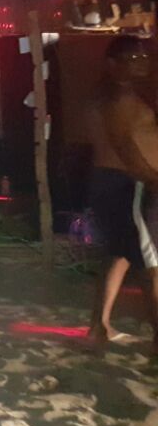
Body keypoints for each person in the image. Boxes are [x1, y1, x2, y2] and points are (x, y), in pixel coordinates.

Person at [87, 36, 158, 346]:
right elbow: (124, 144)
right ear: (113, 64)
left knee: (121, 254)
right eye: (133, 58)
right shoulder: (119, 99)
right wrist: (151, 178)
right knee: (150, 262)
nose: (141, 63)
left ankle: (99, 326)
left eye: (143, 57)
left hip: (117, 181)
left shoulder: (113, 96)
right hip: (128, 183)